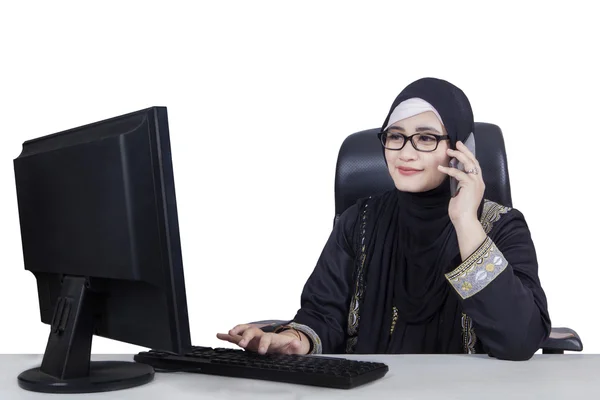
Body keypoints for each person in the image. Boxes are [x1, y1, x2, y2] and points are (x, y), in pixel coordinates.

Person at [216, 77, 551, 361]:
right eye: (395, 136)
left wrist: (466, 222)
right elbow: (323, 314)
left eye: (425, 138)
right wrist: (294, 340)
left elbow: (519, 339)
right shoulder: (359, 223)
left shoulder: (500, 226)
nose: (405, 152)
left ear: (462, 149)